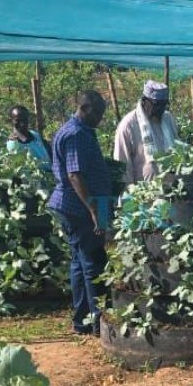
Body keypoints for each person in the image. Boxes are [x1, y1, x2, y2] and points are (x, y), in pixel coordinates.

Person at [50, 91, 113, 336]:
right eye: (98, 114)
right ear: (85, 109)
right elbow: (75, 175)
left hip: (78, 206)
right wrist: (94, 211)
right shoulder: (75, 134)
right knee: (92, 263)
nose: (100, 119)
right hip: (79, 209)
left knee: (79, 262)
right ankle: (97, 323)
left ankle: (82, 321)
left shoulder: (81, 131)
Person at [113, 80, 180, 184]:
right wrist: (128, 194)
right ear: (144, 101)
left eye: (164, 105)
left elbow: (177, 149)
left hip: (172, 190)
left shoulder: (168, 119)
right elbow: (122, 165)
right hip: (143, 194)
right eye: (156, 105)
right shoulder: (128, 125)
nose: (160, 109)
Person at [6, 105, 51, 171]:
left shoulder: (35, 135)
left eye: (24, 119)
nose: (22, 123)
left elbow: (49, 151)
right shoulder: (13, 143)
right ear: (11, 121)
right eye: (17, 120)